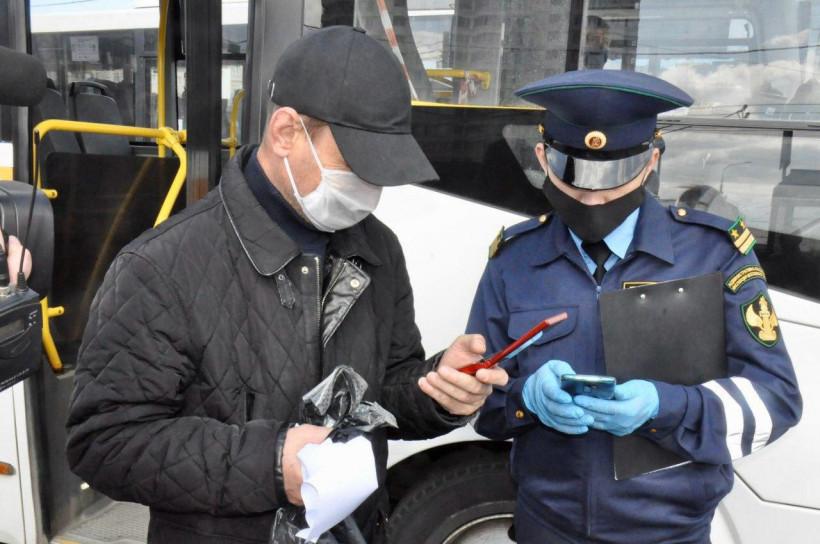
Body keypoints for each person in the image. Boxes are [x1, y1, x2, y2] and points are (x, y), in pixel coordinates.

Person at [66, 26, 506, 544]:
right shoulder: (160, 267)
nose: (370, 190)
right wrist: (272, 464)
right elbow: (105, 443)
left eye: (382, 173)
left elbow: (385, 388)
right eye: (356, 166)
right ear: (286, 133)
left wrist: (437, 392)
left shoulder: (377, 249)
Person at [467, 69, 802, 543]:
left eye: (614, 174)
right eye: (574, 174)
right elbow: (483, 403)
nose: (593, 195)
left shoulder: (715, 255)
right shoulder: (514, 261)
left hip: (669, 534)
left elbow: (775, 402)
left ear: (651, 162)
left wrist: (665, 407)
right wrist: (528, 401)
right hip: (546, 527)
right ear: (543, 157)